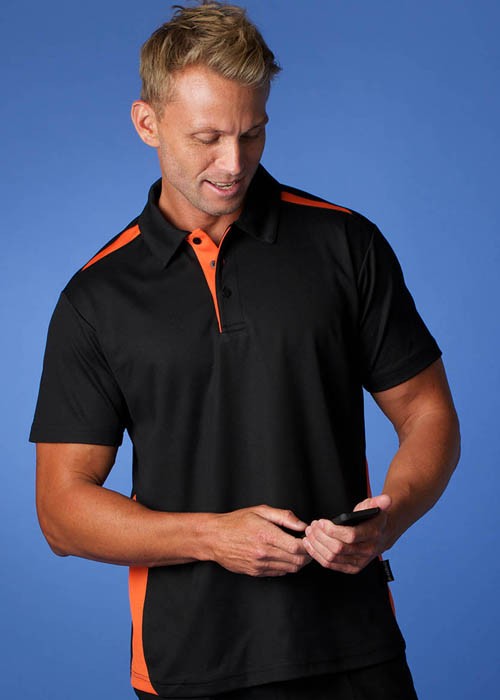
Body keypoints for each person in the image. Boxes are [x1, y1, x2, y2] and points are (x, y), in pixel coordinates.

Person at [30, 2, 460, 699]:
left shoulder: (345, 244)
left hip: (354, 650)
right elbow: (60, 512)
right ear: (147, 123)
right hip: (189, 667)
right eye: (207, 138)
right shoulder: (96, 297)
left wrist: (391, 517)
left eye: (251, 133)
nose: (233, 164)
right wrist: (211, 537)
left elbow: (428, 413)